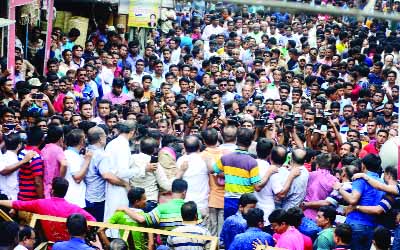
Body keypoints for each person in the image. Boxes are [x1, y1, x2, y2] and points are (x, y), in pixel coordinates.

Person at [0, 177, 96, 242]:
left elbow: (18, 204)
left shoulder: (41, 204)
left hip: (50, 246)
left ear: (52, 190)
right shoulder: (74, 208)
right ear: (65, 192)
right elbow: (93, 221)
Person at [103, 121, 146, 237]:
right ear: (132, 132)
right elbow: (122, 172)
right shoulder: (121, 146)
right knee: (117, 215)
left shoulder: (114, 143)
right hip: (118, 186)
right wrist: (142, 169)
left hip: (115, 185)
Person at [335, 154, 384, 250]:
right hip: (372, 226)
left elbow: (353, 200)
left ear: (363, 166)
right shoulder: (382, 183)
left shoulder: (360, 179)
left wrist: (339, 189)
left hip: (356, 224)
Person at [0, 133, 36, 200]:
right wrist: (23, 161)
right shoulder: (18, 160)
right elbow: (3, 171)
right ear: (19, 145)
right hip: (10, 197)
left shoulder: (3, 157)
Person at [63, 129, 92, 208]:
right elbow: (77, 178)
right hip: (74, 199)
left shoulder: (71, 154)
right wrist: (87, 161)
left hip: (73, 198)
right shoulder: (71, 155)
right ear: (82, 141)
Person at [17, 126, 45, 201]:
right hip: (31, 199)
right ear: (42, 139)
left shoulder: (22, 152)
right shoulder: (35, 156)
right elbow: (38, 182)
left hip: (21, 195)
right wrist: (41, 199)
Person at [41, 125, 67, 198]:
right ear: (61, 138)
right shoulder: (58, 149)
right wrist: (61, 179)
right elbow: (64, 164)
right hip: (55, 188)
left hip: (45, 187)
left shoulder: (44, 149)